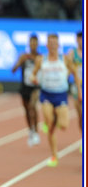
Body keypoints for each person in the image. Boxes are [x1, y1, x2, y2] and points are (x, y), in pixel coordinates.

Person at [31, 33, 81, 167]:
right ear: (47, 45)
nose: (53, 45)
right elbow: (33, 73)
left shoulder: (64, 59)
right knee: (50, 125)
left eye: (55, 43)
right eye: (50, 43)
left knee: (63, 125)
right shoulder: (41, 59)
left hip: (61, 95)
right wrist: (34, 79)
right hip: (46, 94)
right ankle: (54, 156)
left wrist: (79, 90)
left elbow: (75, 73)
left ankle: (53, 118)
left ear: (58, 45)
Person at [11, 34, 41, 146]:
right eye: (31, 43)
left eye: (35, 43)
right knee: (27, 110)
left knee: (33, 106)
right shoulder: (24, 56)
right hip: (25, 87)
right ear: (29, 44)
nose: (33, 45)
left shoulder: (40, 57)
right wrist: (19, 62)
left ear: (37, 44)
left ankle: (36, 132)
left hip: (36, 87)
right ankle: (31, 131)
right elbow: (13, 70)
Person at [66, 31, 83, 145]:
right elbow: (67, 69)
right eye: (79, 39)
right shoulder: (72, 53)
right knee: (81, 115)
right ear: (77, 40)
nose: (81, 41)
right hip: (77, 87)